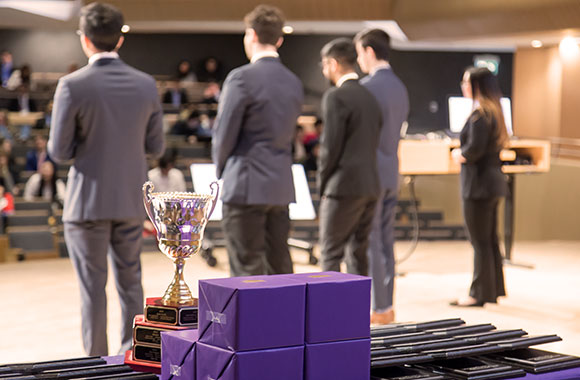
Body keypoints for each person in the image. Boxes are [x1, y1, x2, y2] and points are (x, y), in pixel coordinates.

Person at [47, 2, 165, 356]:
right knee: (132, 285)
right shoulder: (146, 85)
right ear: (120, 39)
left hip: (87, 204)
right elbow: (156, 147)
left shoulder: (72, 85)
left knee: (92, 290)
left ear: (85, 40)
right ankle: (133, 357)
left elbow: (59, 151)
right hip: (130, 201)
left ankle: (97, 362)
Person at [212, 4, 303, 277]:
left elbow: (224, 133)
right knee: (280, 268)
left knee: (246, 268)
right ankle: (286, 321)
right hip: (280, 186)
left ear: (251, 35)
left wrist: (221, 171)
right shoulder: (293, 82)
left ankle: (252, 323)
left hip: (246, 184)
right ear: (279, 39)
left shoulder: (241, 78)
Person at [355, 29, 409, 325]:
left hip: (371, 175)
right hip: (392, 171)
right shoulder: (400, 87)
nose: (359, 60)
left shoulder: (366, 88)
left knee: (372, 242)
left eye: (360, 53)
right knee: (386, 242)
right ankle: (387, 305)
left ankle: (378, 309)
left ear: (370, 52)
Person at [317, 38, 382, 276]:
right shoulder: (371, 97)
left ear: (333, 64)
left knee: (330, 253)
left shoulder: (336, 97)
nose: (325, 71)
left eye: (324, 65)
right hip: (371, 186)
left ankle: (326, 314)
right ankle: (356, 313)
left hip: (342, 187)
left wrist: (322, 186)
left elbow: (330, 148)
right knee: (358, 253)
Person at [450, 66, 508, 307]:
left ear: (478, 86)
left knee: (480, 241)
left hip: (478, 186)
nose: (463, 86)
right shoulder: (494, 112)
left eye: (466, 82)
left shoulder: (480, 115)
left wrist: (457, 153)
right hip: (492, 184)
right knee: (490, 239)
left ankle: (478, 293)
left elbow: (473, 151)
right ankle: (493, 290)